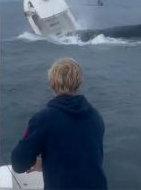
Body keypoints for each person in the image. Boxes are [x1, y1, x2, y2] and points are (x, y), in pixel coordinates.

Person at [11, 58, 107, 189]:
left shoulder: (43, 119)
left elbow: (19, 163)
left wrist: (36, 162)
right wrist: (45, 164)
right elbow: (82, 158)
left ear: (52, 83)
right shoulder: (95, 117)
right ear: (79, 82)